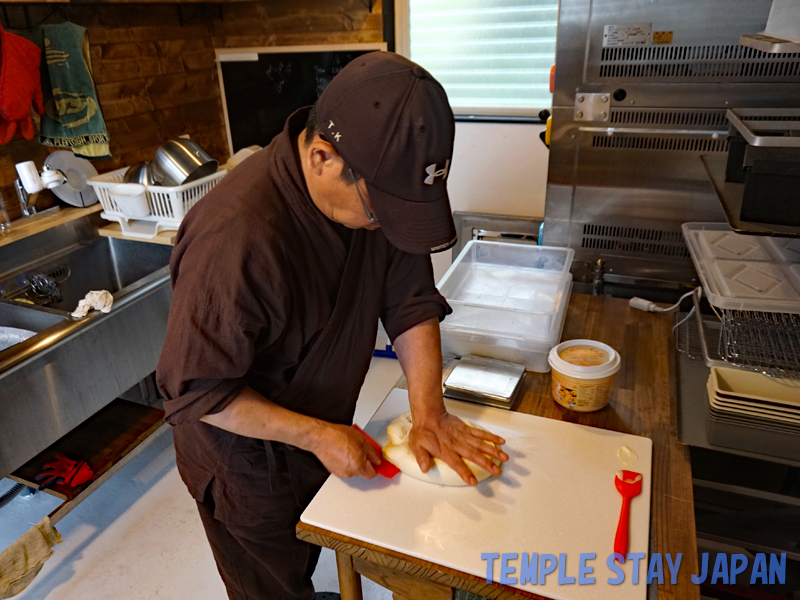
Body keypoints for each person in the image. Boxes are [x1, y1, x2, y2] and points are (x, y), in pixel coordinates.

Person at [156, 51, 508, 600]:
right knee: (270, 581)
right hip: (244, 455)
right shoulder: (236, 239)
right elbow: (197, 390)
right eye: (380, 211)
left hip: (317, 423)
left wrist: (429, 411)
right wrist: (317, 434)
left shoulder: (369, 190)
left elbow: (410, 300)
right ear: (322, 158)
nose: (384, 225)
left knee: (309, 551)